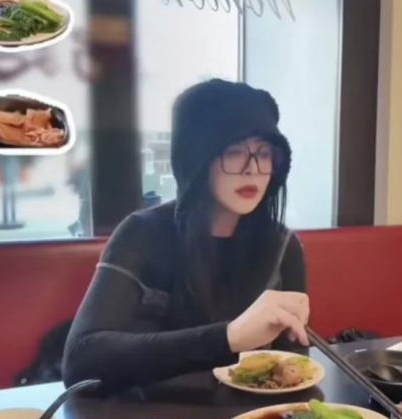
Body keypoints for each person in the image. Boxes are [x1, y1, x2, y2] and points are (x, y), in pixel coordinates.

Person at [63, 79, 309, 393]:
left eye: (263, 153)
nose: (252, 169)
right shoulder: (142, 234)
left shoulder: (282, 245)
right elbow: (81, 359)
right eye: (234, 151)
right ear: (195, 159)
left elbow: (295, 365)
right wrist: (230, 337)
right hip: (152, 415)